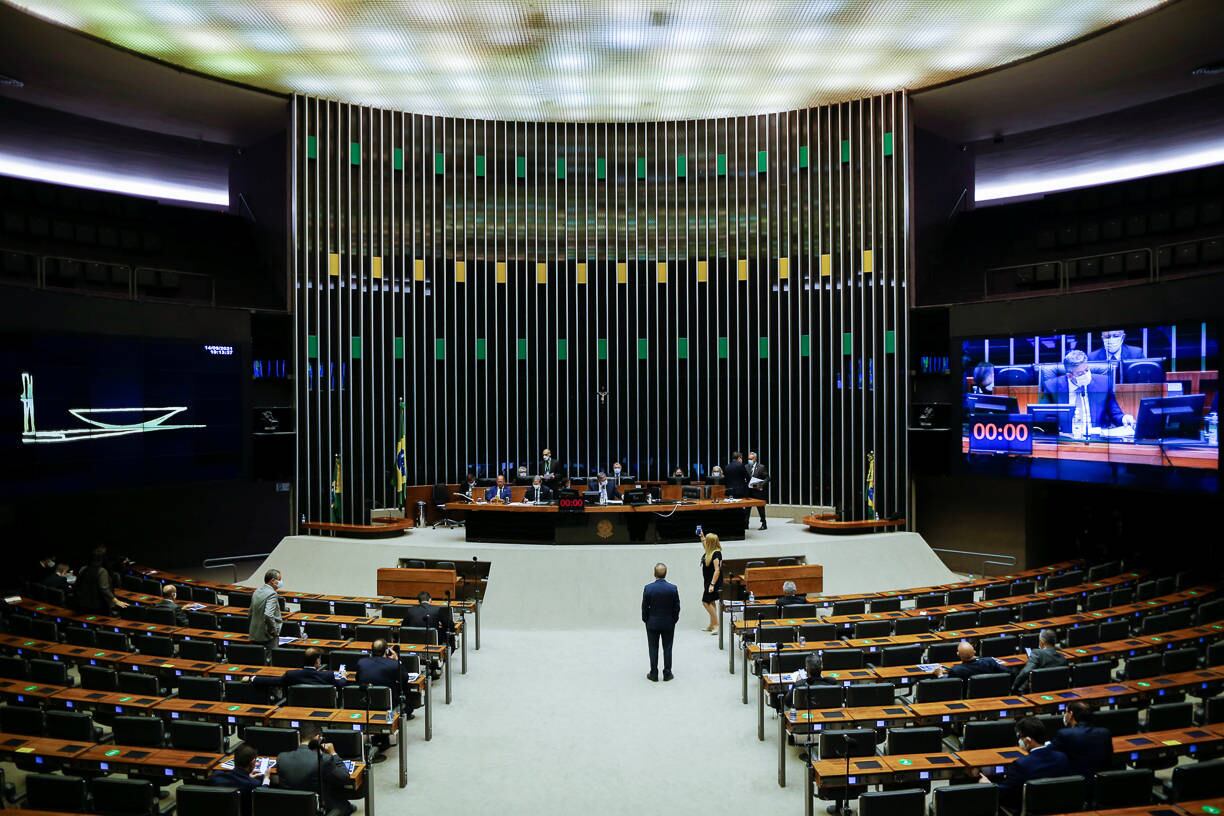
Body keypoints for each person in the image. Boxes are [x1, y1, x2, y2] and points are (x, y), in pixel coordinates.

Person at [986, 716, 1071, 811]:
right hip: (1057, 809)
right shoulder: (1062, 757)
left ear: (1028, 740)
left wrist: (989, 785)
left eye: (1019, 737)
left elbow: (1004, 793)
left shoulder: (1021, 764)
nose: (1019, 741)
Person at [1040, 349, 1133, 434]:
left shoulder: (1104, 383)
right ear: (1069, 376)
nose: (1086, 375)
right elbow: (1042, 419)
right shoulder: (1051, 387)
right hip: (1066, 439)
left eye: (1087, 370)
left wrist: (1124, 418)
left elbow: (1115, 413)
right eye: (1080, 373)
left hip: (1097, 438)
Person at [276, 722, 354, 816]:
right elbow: (345, 777)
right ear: (318, 738)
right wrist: (333, 754)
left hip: (290, 809)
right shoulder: (324, 759)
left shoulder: (282, 757)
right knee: (347, 806)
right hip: (317, 809)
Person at [356, 638, 419, 720]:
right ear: (386, 651)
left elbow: (357, 679)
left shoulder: (362, 662)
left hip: (366, 702)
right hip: (388, 702)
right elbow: (405, 678)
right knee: (405, 690)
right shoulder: (393, 664)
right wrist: (397, 661)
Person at [1051, 701, 1112, 778]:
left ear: (1071, 714)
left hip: (1075, 782)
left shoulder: (1064, 734)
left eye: (1066, 712)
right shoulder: (1105, 733)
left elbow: (1052, 755)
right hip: (1100, 781)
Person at [642, 562, 680, 682]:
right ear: (666, 573)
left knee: (653, 648)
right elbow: (677, 607)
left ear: (654, 573)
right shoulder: (673, 588)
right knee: (667, 648)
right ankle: (667, 673)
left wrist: (646, 620)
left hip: (652, 623)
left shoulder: (648, 588)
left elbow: (644, 607)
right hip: (668, 623)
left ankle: (653, 673)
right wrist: (674, 619)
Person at [207, 742, 263, 816]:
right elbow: (262, 797)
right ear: (253, 762)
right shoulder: (253, 784)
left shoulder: (216, 776)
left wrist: (248, 778)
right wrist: (266, 779)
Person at [253, 647, 348, 689]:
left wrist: (253, 678)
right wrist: (343, 675)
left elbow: (274, 681)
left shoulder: (291, 675)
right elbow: (341, 684)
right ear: (317, 661)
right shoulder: (328, 675)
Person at [74, 546, 128, 615]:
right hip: (98, 606)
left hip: (83, 605)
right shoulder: (102, 571)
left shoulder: (84, 568)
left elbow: (77, 585)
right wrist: (116, 601)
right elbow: (104, 589)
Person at [935, 641, 1009, 681]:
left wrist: (940, 675)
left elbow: (948, 685)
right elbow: (1008, 672)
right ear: (974, 651)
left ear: (958, 654)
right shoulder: (990, 661)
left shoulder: (956, 670)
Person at [248, 569, 283, 652]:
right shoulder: (272, 594)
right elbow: (268, 615)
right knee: (270, 661)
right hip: (267, 637)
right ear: (273, 581)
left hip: (254, 635)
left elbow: (250, 613)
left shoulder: (256, 591)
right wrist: (274, 632)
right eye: (279, 579)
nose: (281, 582)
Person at [699, 533, 723, 633]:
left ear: (711, 543)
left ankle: (717, 624)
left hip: (713, 582)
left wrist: (712, 584)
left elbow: (717, 570)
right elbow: (705, 545)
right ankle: (712, 624)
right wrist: (702, 536)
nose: (706, 542)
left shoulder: (716, 554)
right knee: (711, 602)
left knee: (706, 602)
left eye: (707, 541)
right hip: (708, 581)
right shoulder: (710, 551)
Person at [746, 451, 769, 530]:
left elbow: (767, 478)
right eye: (749, 459)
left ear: (755, 459)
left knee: (761, 508)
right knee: (747, 509)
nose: (749, 460)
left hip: (758, 491)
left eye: (751, 459)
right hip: (749, 491)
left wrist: (761, 484)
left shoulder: (761, 467)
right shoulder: (746, 466)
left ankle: (764, 523)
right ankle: (746, 524)